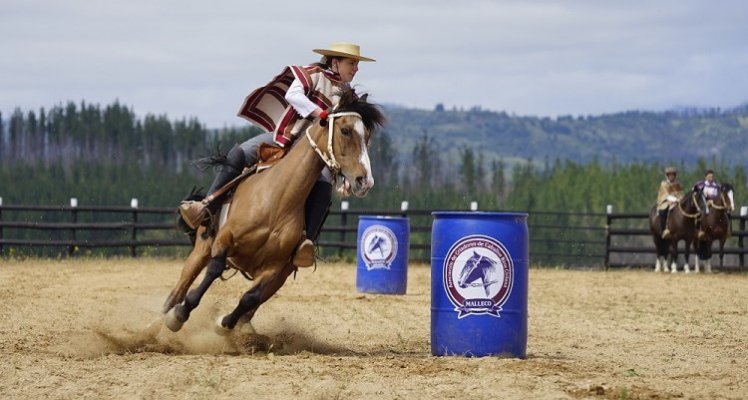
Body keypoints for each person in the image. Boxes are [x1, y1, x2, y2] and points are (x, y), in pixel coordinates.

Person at [178, 42, 375, 267]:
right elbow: (293, 94)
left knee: (323, 191)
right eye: (352, 63)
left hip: (315, 158)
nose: (356, 68)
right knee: (238, 154)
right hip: (285, 138)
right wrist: (319, 113)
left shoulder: (349, 98)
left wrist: (347, 175)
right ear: (335, 62)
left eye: (357, 64)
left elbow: (349, 141)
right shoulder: (313, 74)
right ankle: (207, 207)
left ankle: (305, 243)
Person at [656, 166, 684, 239]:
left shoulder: (678, 183)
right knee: (663, 211)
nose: (671, 176)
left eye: (673, 174)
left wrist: (680, 199)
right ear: (667, 175)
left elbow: (680, 192)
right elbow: (666, 195)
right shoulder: (664, 184)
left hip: (677, 201)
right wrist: (675, 200)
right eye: (670, 175)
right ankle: (664, 229)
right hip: (666, 201)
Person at [693, 170, 720, 238]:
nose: (711, 178)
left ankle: (725, 229)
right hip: (703, 202)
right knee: (700, 213)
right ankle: (698, 229)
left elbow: (719, 195)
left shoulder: (716, 185)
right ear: (705, 177)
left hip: (714, 203)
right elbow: (695, 192)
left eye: (712, 176)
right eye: (709, 176)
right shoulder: (701, 184)